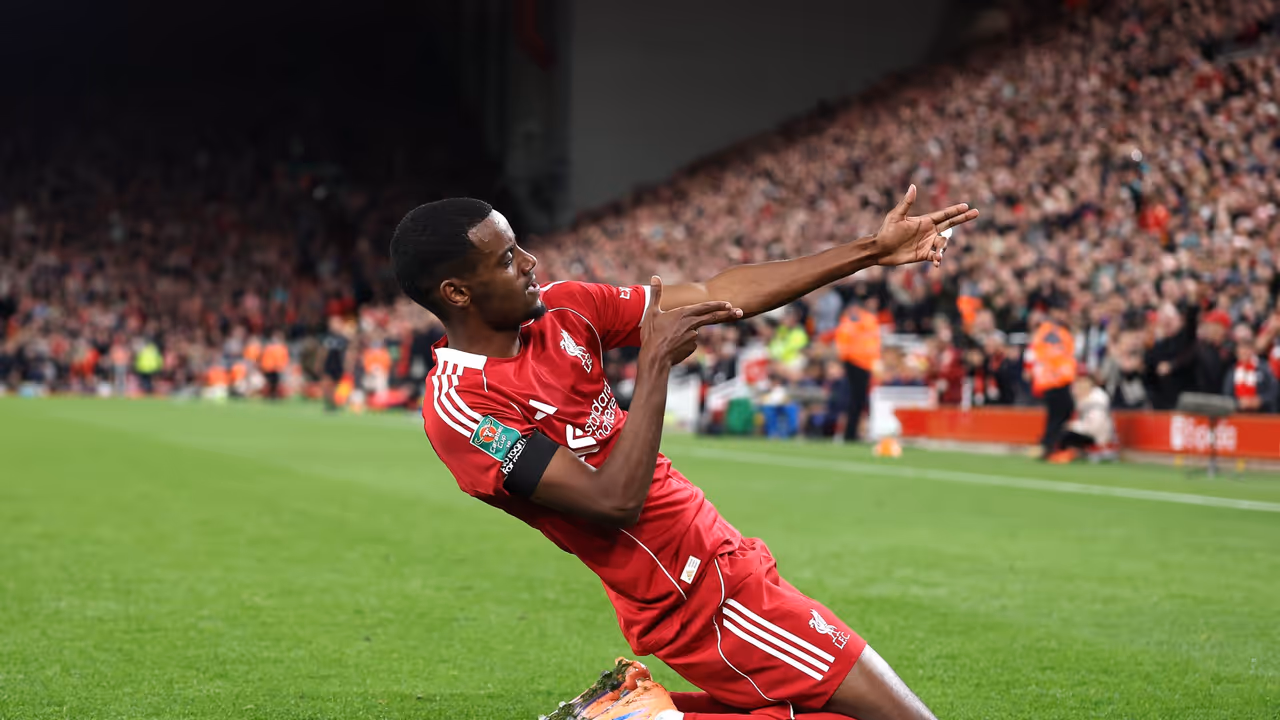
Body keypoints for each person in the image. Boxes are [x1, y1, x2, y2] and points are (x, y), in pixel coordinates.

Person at [393, 190, 978, 720]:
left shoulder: (565, 309)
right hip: (696, 598)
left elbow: (719, 294)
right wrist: (652, 369)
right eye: (505, 258)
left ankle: (637, 717)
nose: (529, 263)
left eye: (519, 246)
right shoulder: (463, 408)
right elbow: (613, 501)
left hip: (719, 560)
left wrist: (871, 250)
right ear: (456, 292)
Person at [1027, 303, 1077, 460]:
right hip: (1055, 379)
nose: (1063, 316)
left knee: (1057, 414)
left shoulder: (1050, 332)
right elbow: (1054, 355)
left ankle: (1048, 444)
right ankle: (1049, 445)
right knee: (1061, 411)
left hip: (1054, 379)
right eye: (1060, 311)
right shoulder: (1052, 332)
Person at [832, 300, 881, 442]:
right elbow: (872, 342)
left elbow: (843, 339)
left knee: (856, 399)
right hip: (859, 362)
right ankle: (851, 433)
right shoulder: (866, 319)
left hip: (857, 361)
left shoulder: (853, 319)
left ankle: (851, 432)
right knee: (857, 400)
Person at [1222, 325, 1279, 413]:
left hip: (1262, 415)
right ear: (1237, 351)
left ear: (1253, 350)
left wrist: (1260, 400)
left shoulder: (1264, 368)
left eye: (1247, 348)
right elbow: (1227, 394)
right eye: (1242, 348)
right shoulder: (1233, 371)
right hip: (1238, 415)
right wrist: (1238, 402)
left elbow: (1274, 390)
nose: (1245, 352)